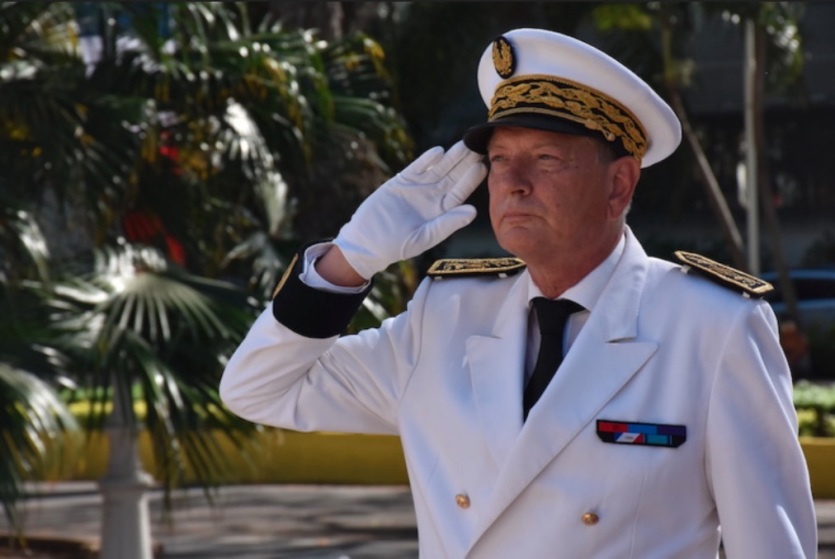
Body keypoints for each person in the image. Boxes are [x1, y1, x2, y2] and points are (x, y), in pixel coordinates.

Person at [220, 28, 817, 558]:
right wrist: (351, 260)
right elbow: (258, 389)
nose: (513, 183)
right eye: (500, 158)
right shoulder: (447, 316)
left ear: (619, 184)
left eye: (546, 158)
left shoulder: (710, 327)